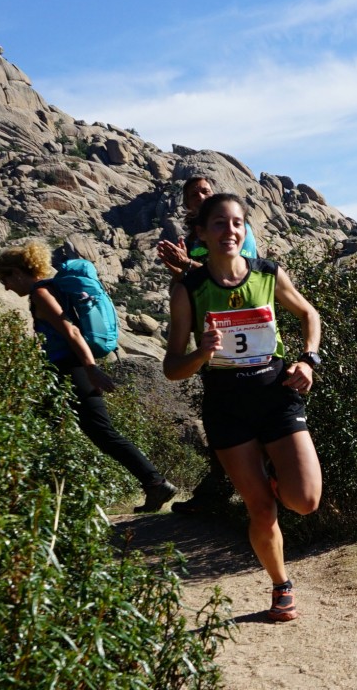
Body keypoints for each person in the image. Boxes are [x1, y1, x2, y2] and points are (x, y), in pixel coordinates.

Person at [163, 193, 323, 622]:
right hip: (226, 405)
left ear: (246, 230)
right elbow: (172, 367)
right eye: (219, 223)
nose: (229, 231)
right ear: (201, 233)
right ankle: (281, 585)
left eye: (237, 223)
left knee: (305, 500)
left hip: (276, 393)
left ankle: (274, 479)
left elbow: (309, 314)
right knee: (260, 509)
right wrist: (201, 354)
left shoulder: (268, 274)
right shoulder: (189, 291)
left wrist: (308, 359)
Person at [0, 242, 177, 513]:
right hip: (65, 369)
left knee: (101, 431)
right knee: (47, 428)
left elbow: (72, 333)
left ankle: (155, 482)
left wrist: (91, 369)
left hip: (71, 369)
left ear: (18, 272)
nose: (7, 287)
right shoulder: (48, 291)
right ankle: (43, 498)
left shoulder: (42, 293)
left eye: (5, 279)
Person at [155, 175, 252, 515]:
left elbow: (237, 276)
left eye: (205, 190)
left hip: (245, 336)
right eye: (193, 193)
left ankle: (238, 491)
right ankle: (218, 491)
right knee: (219, 411)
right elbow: (194, 286)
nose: (200, 195)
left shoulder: (234, 231)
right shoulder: (193, 239)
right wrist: (180, 273)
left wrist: (188, 267)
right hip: (209, 341)